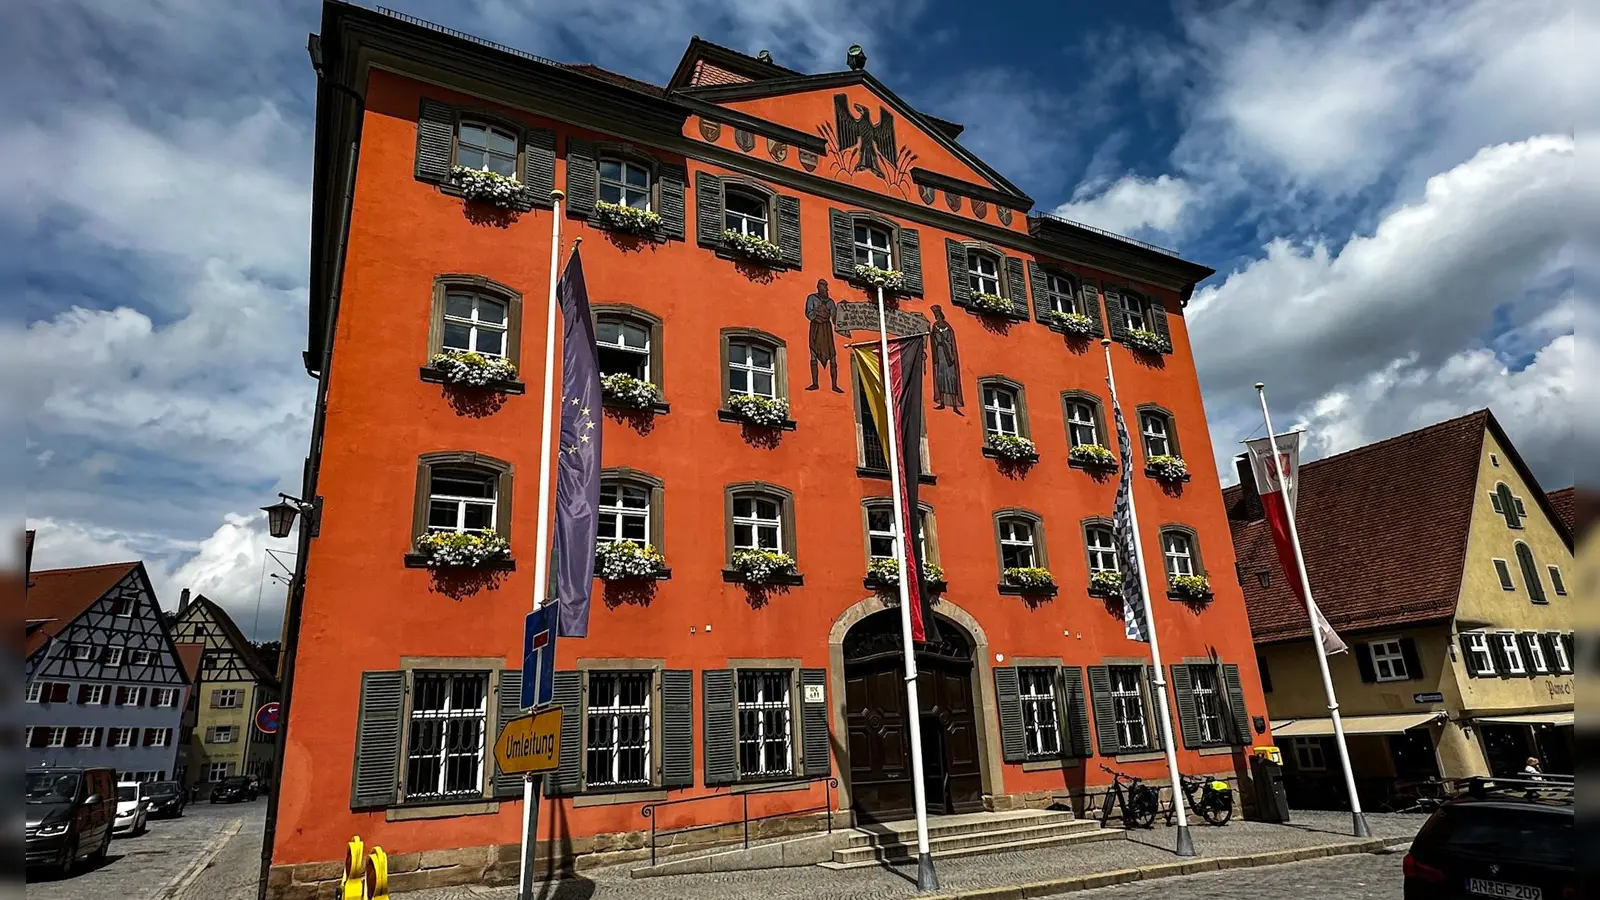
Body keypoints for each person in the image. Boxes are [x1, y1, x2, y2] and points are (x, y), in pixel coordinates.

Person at [805, 279, 843, 392]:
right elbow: (808, 312)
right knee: (813, 353)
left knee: (832, 354)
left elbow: (835, 317)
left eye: (826, 287)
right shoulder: (811, 298)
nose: (825, 289)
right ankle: (815, 383)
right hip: (816, 327)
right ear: (818, 287)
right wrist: (817, 317)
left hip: (826, 329)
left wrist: (842, 310)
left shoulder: (830, 302)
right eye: (823, 287)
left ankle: (834, 385)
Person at [930, 304, 963, 412]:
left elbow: (951, 342)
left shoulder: (948, 327)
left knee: (951, 378)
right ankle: (942, 402)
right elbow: (933, 340)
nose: (936, 316)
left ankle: (954, 405)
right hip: (940, 355)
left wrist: (944, 343)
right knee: (941, 378)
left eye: (937, 314)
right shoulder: (934, 326)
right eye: (935, 315)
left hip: (949, 357)